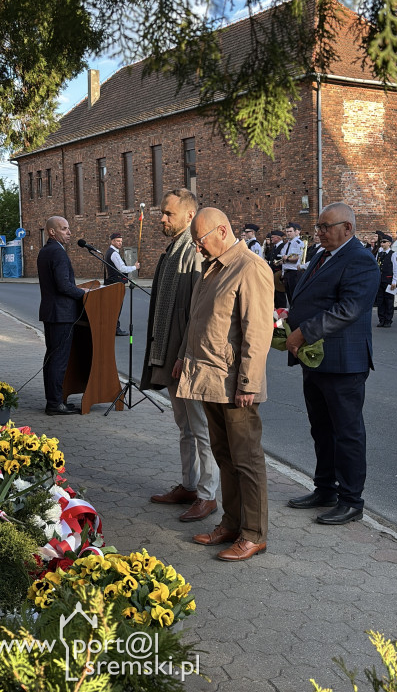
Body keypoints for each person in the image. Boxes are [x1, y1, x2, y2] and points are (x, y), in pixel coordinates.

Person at [177, 207, 275, 561]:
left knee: (247, 460)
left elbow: (257, 332)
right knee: (224, 455)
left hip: (235, 385)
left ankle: (254, 534)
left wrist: (248, 383)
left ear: (221, 231)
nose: (197, 248)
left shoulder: (250, 267)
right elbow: (198, 321)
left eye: (200, 240)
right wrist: (183, 357)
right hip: (209, 379)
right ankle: (232, 523)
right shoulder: (212, 268)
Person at [285, 202, 380, 525]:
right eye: (318, 227)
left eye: (326, 227)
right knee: (322, 429)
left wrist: (303, 332)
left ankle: (351, 500)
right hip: (315, 360)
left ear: (347, 228)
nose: (319, 233)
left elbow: (348, 309)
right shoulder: (322, 254)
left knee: (347, 433)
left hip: (343, 362)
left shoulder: (360, 260)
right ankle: (325, 489)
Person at [140, 189, 219, 522]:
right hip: (171, 354)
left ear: (189, 216)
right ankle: (189, 485)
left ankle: (208, 495)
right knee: (185, 426)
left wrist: (185, 355)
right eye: (162, 212)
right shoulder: (174, 248)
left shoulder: (195, 251)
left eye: (168, 213)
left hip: (188, 359)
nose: (162, 218)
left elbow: (198, 314)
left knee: (201, 428)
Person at [37, 216, 89, 415]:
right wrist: (84, 294)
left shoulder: (46, 251)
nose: (69, 232)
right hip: (61, 315)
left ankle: (54, 400)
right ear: (52, 232)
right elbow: (63, 286)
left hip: (52, 313)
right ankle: (55, 403)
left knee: (52, 358)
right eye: (64, 229)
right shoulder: (57, 252)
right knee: (58, 360)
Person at [104, 232, 140, 336]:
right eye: (117, 241)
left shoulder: (111, 252)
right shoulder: (114, 253)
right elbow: (122, 268)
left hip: (114, 282)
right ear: (112, 241)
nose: (120, 243)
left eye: (121, 241)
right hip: (116, 283)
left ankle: (113, 327)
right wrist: (135, 267)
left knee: (114, 307)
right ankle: (116, 329)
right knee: (117, 307)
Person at [376, 234, 397, 328]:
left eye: (384, 242)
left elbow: (395, 268)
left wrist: (395, 281)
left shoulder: (393, 254)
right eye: (381, 242)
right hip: (380, 280)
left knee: (389, 301)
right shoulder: (379, 254)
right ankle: (381, 319)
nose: (382, 244)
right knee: (380, 301)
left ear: (389, 243)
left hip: (389, 280)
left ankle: (388, 320)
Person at [281, 222, 304, 303]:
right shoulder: (286, 245)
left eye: (290, 231)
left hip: (294, 272)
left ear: (295, 232)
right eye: (287, 231)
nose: (288, 233)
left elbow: (298, 258)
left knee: (294, 296)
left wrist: (287, 258)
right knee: (289, 296)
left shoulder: (298, 243)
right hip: (287, 272)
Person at [264, 229, 286, 309]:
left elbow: (282, 259)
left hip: (279, 272)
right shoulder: (275, 247)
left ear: (278, 238)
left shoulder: (283, 246)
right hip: (273, 272)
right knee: (275, 293)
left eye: (273, 237)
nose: (271, 239)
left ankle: (282, 309)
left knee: (280, 293)